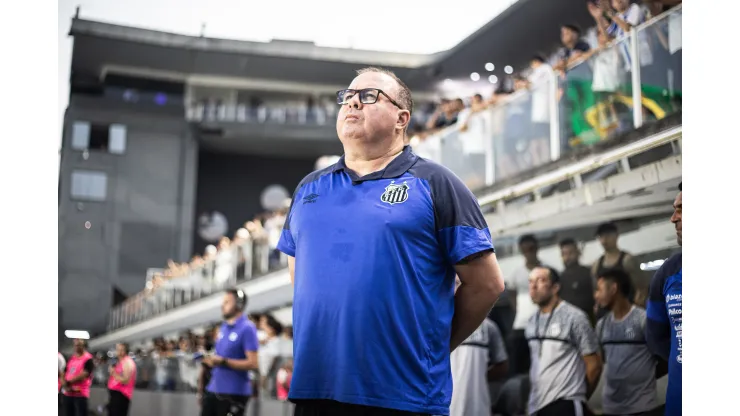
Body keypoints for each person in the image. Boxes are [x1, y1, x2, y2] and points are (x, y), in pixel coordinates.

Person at [277, 67, 505, 415]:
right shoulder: (309, 188)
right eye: (347, 97)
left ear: (402, 118)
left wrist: (432, 348)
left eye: (368, 96)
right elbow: (302, 279)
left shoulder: (436, 183)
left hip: (402, 396)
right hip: (316, 391)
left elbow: (486, 284)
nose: (353, 102)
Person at [526, 267, 602, 416]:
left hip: (566, 402)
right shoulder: (531, 322)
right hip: (537, 405)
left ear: (555, 287)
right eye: (531, 281)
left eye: (541, 280)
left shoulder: (574, 317)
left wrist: (579, 398)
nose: (533, 286)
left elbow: (594, 365)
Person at [594, 269, 662, 416]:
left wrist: (646, 377)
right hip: (611, 409)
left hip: (642, 408)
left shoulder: (643, 320)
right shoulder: (602, 325)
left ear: (613, 289)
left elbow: (664, 358)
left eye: (599, 289)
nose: (596, 295)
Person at [646, 182, 682, 416]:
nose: (673, 218)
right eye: (675, 209)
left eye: (682, 210)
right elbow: (655, 335)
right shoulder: (669, 271)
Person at [450, 277, 509, 416]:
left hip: (479, 407)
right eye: (456, 284)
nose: (459, 289)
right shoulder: (439, 325)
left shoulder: (489, 327)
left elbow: (502, 365)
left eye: (463, 284)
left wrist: (477, 377)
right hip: (447, 407)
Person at [199, 288, 260, 416]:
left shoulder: (247, 328)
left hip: (234, 392)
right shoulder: (224, 327)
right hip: (214, 389)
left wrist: (224, 361)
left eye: (227, 302)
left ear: (238, 304)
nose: (223, 305)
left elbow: (253, 363)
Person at [507, 234, 549, 375]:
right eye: (525, 249)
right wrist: (517, 309)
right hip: (522, 323)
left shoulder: (547, 271)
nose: (529, 252)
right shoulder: (516, 273)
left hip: (544, 322)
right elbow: (511, 292)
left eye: (531, 248)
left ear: (537, 248)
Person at [558, 238, 595, 322]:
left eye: (570, 253)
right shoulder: (559, 278)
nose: (567, 257)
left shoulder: (588, 273)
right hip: (567, 321)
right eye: (564, 254)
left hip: (588, 318)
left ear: (578, 253)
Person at [62, 338, 95, 416]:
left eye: (79, 345)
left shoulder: (88, 359)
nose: (76, 347)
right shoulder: (72, 358)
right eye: (75, 345)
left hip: (80, 394)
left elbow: (84, 374)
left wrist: (68, 383)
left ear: (84, 346)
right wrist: (64, 384)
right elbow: (65, 372)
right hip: (68, 393)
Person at [107, 343, 137, 416]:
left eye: (121, 350)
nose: (119, 352)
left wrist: (113, 373)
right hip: (115, 395)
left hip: (121, 395)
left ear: (126, 350)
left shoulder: (127, 362)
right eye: (118, 350)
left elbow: (126, 380)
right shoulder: (120, 361)